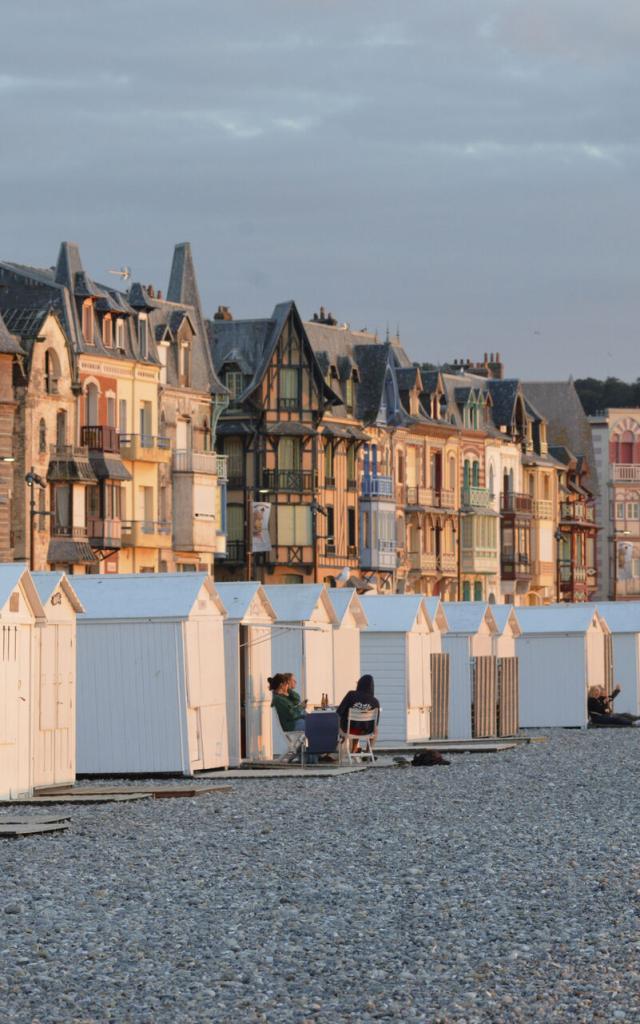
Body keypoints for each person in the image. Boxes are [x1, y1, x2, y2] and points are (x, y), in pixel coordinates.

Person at [337, 674, 380, 753]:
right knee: (374, 729)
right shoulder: (375, 701)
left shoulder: (351, 695)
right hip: (365, 731)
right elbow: (376, 723)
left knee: (352, 723)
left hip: (348, 730)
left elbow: (339, 712)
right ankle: (368, 753)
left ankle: (336, 751)